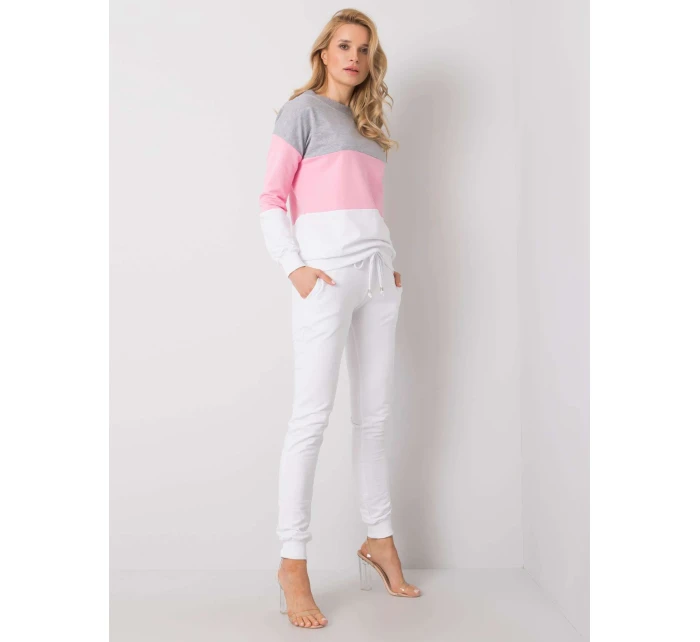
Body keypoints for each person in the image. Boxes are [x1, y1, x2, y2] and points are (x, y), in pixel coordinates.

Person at [258, 9, 422, 630]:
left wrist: (389, 262)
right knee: (311, 419)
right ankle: (292, 562)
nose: (354, 56)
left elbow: (364, 206)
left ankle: (379, 540)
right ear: (325, 52)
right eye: (344, 45)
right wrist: (294, 268)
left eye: (364, 49)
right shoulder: (301, 112)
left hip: (378, 279)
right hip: (323, 279)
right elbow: (272, 197)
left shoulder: (370, 127)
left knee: (374, 418)